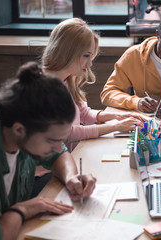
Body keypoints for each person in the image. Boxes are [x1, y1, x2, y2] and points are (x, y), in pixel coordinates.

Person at [0, 62, 97, 240]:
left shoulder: (20, 128)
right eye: (52, 140)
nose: (58, 146)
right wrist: (24, 208)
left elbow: (61, 153)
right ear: (19, 130)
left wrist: (71, 177)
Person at [42, 18, 145, 152]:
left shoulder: (66, 80)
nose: (90, 63)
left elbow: (83, 113)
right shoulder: (44, 88)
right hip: (53, 167)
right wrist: (115, 126)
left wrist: (116, 116)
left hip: (72, 155)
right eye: (86, 55)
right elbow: (68, 134)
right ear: (67, 52)